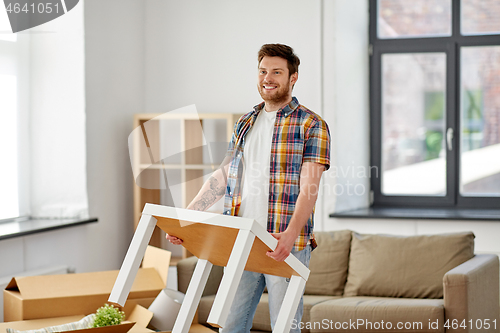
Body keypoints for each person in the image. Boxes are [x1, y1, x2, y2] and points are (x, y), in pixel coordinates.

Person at [167, 43, 330, 332]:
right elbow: (222, 177)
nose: (268, 78)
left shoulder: (311, 124)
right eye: (263, 71)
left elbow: (310, 187)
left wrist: (290, 235)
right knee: (230, 325)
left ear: (293, 78)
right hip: (240, 239)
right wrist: (186, 219)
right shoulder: (245, 123)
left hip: (283, 242)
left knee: (285, 327)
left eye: (277, 72)